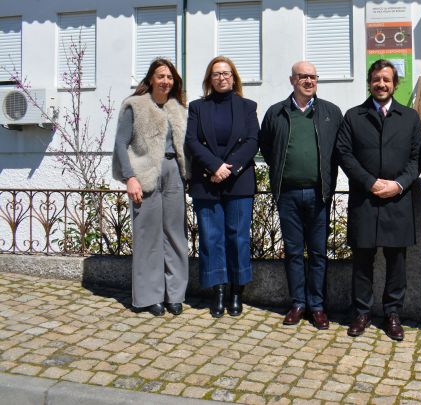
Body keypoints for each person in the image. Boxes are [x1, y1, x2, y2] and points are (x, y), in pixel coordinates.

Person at [336, 60, 421, 341]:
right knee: (362, 260)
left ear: (395, 84)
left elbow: (416, 158)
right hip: (365, 198)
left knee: (397, 261)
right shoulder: (354, 116)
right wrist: (369, 181)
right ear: (369, 83)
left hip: (398, 199)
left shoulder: (409, 117)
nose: (381, 84)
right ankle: (362, 313)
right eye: (376, 79)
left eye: (386, 79)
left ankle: (392, 314)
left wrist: (398, 184)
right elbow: (345, 154)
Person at [258, 61, 343, 329]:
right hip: (289, 194)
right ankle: (298, 303)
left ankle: (317, 306)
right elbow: (268, 149)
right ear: (292, 79)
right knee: (294, 252)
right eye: (303, 76)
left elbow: (340, 150)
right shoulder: (276, 113)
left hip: (319, 194)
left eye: (313, 77)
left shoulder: (330, 112)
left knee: (318, 252)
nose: (309, 81)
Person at [112, 58, 189, 317]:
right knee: (148, 236)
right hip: (145, 175)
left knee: (175, 235)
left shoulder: (178, 108)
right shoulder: (134, 105)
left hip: (173, 174)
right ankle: (149, 296)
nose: (165, 81)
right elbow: (121, 144)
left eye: (169, 77)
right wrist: (129, 178)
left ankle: (175, 294)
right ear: (151, 79)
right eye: (160, 76)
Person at [185, 56, 259, 318]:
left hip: (238, 182)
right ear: (209, 79)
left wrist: (229, 168)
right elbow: (192, 141)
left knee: (237, 238)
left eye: (226, 73)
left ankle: (236, 294)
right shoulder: (197, 107)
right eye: (216, 74)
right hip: (207, 183)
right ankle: (217, 292)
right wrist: (214, 167)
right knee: (211, 238)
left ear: (234, 78)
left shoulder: (248, 106)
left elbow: (252, 141)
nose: (222, 77)